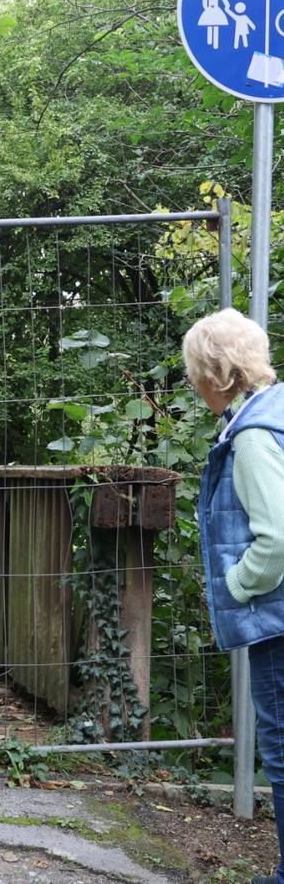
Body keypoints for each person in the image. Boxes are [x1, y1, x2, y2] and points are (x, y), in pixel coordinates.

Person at [183, 308, 283, 884]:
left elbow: (276, 541)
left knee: (282, 749)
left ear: (215, 374)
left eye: (195, 372)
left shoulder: (251, 436)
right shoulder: (278, 413)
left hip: (276, 617)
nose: (194, 385)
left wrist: (236, 583)